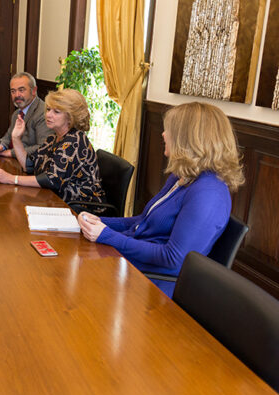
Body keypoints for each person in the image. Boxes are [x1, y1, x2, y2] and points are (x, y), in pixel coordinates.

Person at [78, 102, 244, 297]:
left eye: (170, 130)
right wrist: (100, 222)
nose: (164, 134)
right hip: (133, 262)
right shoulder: (182, 175)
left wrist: (107, 235)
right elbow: (142, 221)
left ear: (189, 138)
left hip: (154, 285)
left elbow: (173, 259)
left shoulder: (209, 194)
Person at [0, 88, 106, 209]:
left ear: (70, 117)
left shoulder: (74, 141)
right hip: (55, 201)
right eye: (49, 109)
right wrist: (16, 138)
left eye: (56, 112)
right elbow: (29, 165)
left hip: (80, 209)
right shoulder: (53, 138)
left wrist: (11, 179)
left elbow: (51, 180)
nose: (48, 115)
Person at [0, 72, 50, 158]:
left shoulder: (44, 113)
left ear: (33, 90)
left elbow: (43, 147)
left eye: (21, 90)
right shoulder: (17, 113)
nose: (17, 95)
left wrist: (11, 153)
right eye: (13, 91)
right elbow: (8, 137)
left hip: (31, 165)